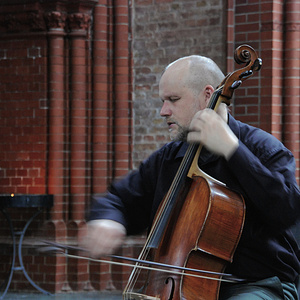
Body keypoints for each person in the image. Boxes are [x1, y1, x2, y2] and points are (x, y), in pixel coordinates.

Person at [82, 55, 300, 299]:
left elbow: (286, 210)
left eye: (173, 100)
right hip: (180, 286)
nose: (164, 111)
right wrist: (108, 220)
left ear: (208, 96)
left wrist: (233, 151)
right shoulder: (169, 158)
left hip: (256, 285)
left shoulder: (263, 148)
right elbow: (119, 198)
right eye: (163, 101)